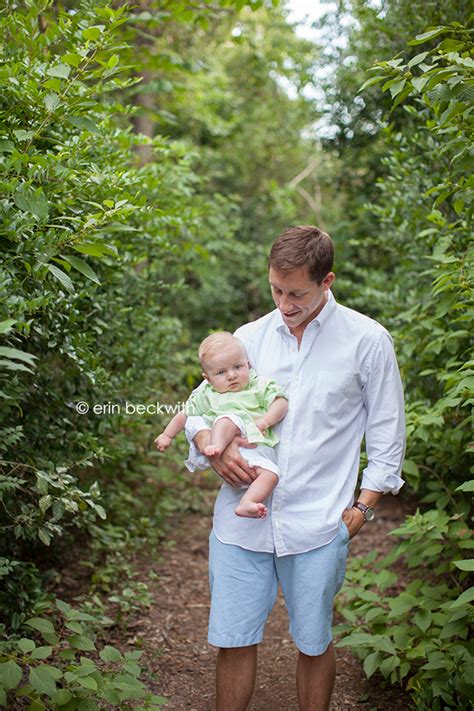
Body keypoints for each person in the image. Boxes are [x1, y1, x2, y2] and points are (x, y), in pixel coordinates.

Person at [185, 225, 406, 711]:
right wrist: (209, 445)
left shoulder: (368, 341)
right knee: (234, 638)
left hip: (319, 523)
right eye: (276, 290)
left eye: (297, 293)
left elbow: (388, 430)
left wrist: (363, 509)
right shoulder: (247, 339)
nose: (284, 303)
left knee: (313, 641)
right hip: (239, 526)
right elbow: (200, 407)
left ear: (327, 281)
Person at [155, 332, 288, 518]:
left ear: (248, 365)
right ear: (207, 379)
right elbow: (184, 414)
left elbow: (280, 402)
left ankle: (247, 502)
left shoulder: (257, 385)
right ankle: (217, 445)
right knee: (228, 419)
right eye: (221, 372)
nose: (232, 375)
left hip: (255, 448)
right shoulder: (208, 394)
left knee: (272, 474)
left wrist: (266, 420)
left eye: (238, 367)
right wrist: (167, 435)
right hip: (223, 441)